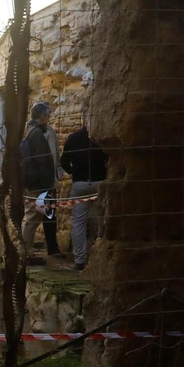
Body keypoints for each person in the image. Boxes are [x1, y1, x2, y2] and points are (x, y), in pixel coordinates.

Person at [59, 115, 109, 270]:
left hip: (80, 183)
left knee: (78, 222)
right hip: (99, 182)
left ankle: (80, 260)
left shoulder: (73, 138)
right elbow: (108, 158)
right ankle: (101, 255)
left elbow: (63, 162)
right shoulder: (100, 137)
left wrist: (74, 173)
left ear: (82, 119)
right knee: (102, 218)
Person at [19, 101, 63, 260]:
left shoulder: (30, 130)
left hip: (35, 181)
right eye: (48, 115)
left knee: (33, 217)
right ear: (43, 116)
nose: (50, 118)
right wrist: (47, 185)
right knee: (32, 218)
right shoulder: (36, 133)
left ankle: (26, 251)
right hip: (39, 183)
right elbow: (42, 160)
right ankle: (25, 254)